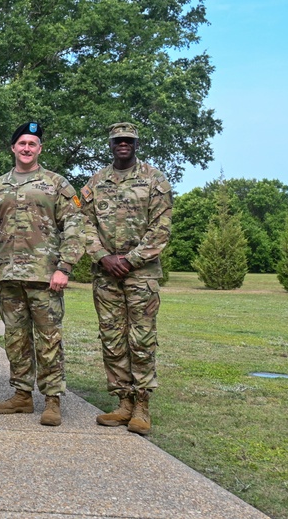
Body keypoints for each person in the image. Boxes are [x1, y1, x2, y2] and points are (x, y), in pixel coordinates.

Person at [0, 122, 84, 426]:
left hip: (45, 276)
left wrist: (65, 267)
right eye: (21, 143)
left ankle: (52, 400)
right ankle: (22, 395)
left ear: (40, 149)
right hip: (8, 276)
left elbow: (75, 227)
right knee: (16, 339)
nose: (26, 148)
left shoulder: (57, 184)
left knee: (48, 339)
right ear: (13, 147)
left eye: (32, 144)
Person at [81, 122, 172, 435]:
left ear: (136, 144)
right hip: (105, 274)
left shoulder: (155, 180)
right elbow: (82, 224)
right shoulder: (95, 183)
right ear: (110, 144)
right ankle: (123, 402)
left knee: (142, 338)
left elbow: (161, 228)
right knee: (112, 337)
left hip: (141, 275)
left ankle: (142, 405)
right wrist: (103, 257)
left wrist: (130, 260)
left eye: (128, 141)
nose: (123, 144)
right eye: (118, 140)